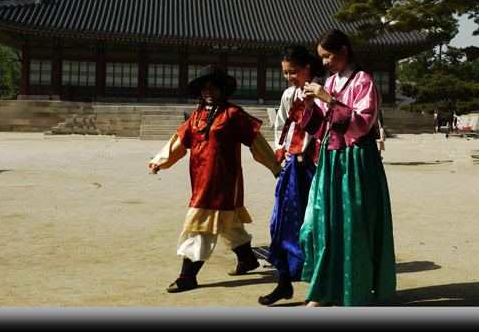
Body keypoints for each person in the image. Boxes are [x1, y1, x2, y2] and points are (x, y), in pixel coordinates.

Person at [148, 65, 283, 293]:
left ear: (223, 90)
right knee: (228, 223)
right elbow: (179, 141)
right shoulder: (197, 117)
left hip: (222, 182)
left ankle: (188, 276)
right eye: (205, 88)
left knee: (200, 226)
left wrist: (275, 166)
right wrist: (160, 160)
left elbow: (256, 141)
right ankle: (248, 259)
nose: (209, 92)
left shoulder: (233, 114)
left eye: (214, 87)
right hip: (201, 181)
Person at [299, 28, 396, 306]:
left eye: (327, 55)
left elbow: (361, 124)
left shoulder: (363, 81)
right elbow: (322, 128)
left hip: (357, 159)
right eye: (322, 57)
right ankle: (324, 289)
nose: (325, 62)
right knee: (324, 221)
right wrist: (311, 106)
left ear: (344, 49)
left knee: (355, 224)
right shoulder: (329, 83)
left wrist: (327, 100)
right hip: (331, 159)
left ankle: (354, 290)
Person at [258, 45, 324, 306]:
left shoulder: (322, 92)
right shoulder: (289, 94)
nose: (289, 77)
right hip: (292, 167)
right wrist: (284, 153)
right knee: (281, 224)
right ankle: (283, 282)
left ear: (308, 68)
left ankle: (318, 286)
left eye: (293, 72)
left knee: (313, 226)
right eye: (286, 73)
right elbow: (282, 128)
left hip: (315, 167)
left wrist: (306, 151)